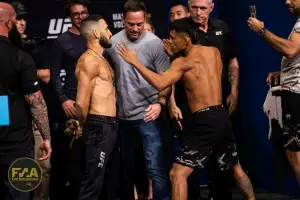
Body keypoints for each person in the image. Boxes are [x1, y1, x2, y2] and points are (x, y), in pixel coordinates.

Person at [117, 17, 255, 200]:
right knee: (235, 167)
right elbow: (198, 74)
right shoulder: (213, 52)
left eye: (173, 38)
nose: (169, 41)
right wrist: (175, 54)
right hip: (221, 115)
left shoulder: (182, 62)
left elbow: (160, 83)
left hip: (204, 122)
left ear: (186, 40)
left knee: (177, 174)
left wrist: (134, 61)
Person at [105, 1, 171, 199]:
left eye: (140, 24)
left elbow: (166, 79)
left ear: (145, 20)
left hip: (148, 115)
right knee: (126, 170)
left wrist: (160, 103)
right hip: (123, 116)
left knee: (155, 169)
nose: (136, 28)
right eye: (131, 24)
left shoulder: (154, 43)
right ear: (123, 20)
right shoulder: (112, 43)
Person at [0, 2, 51, 199]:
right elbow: (35, 102)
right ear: (10, 23)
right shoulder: (20, 57)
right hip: (17, 148)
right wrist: (45, 138)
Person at [248, 0, 300, 188]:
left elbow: (291, 49)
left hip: (296, 95)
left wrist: (261, 30)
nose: (287, 1)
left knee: (295, 151)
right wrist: (283, 73)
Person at [74, 14, 118, 200]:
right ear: (94, 32)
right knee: (93, 182)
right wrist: (82, 126)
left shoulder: (101, 58)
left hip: (109, 125)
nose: (110, 31)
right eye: (106, 28)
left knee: (109, 181)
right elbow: (81, 102)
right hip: (98, 126)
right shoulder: (89, 61)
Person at [50, 0, 89, 199]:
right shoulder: (61, 41)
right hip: (72, 105)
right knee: (73, 159)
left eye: (83, 13)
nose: (80, 17)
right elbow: (55, 74)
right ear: (70, 17)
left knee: (94, 159)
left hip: (96, 105)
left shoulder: (95, 38)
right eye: (76, 14)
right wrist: (64, 99)